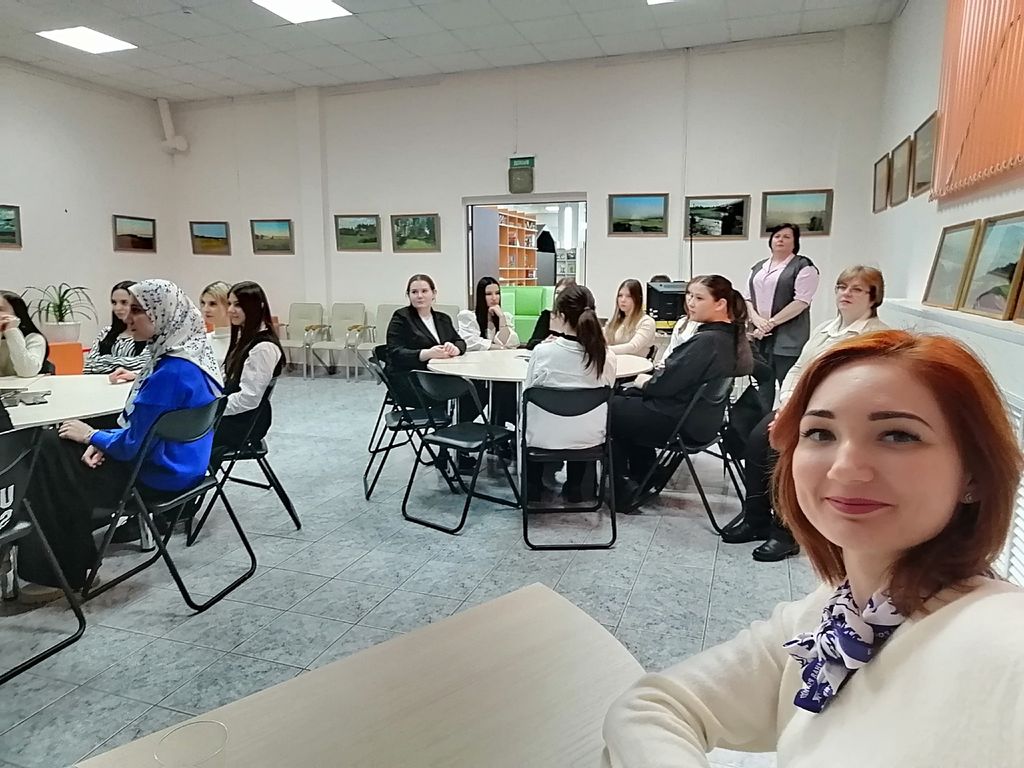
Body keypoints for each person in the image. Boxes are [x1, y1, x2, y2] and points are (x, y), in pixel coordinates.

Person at [601, 330, 1024, 767]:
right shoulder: (834, 611)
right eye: (820, 433)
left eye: (898, 435)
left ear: (974, 474)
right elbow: (651, 708)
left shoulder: (1002, 639)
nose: (845, 468)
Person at [17, 279, 222, 603]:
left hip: (158, 476)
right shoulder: (192, 358)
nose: (128, 316)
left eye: (139, 310)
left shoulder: (169, 373)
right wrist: (101, 441)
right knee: (63, 449)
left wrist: (92, 435)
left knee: (48, 453)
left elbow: (131, 446)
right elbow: (140, 433)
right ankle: (69, 559)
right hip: (186, 466)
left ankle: (61, 572)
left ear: (163, 314)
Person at [723, 267, 888, 561]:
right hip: (801, 406)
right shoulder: (826, 330)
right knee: (757, 440)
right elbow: (799, 368)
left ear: (873, 297)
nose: (846, 294)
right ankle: (755, 518)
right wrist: (788, 403)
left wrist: (805, 413)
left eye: (856, 289)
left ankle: (785, 532)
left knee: (785, 452)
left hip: (839, 417)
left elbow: (861, 387)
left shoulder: (876, 336)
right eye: (841, 287)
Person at [610, 275, 748, 509]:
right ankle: (645, 473)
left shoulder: (707, 341)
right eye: (689, 296)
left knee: (608, 408)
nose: (690, 303)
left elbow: (663, 385)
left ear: (720, 304)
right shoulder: (730, 336)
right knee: (625, 399)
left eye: (699, 298)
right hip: (703, 421)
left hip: (680, 421)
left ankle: (623, 487)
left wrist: (644, 383)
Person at [524, 284, 616, 503]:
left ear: (562, 316)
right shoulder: (606, 357)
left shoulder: (542, 353)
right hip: (590, 439)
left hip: (543, 438)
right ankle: (577, 487)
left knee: (533, 417)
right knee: (581, 420)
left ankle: (532, 487)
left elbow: (528, 393)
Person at [744, 223, 819, 401]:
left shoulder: (803, 266)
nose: (780, 240)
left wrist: (770, 323)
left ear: (795, 242)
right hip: (759, 336)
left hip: (788, 338)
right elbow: (747, 298)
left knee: (788, 385)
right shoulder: (758, 267)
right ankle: (762, 418)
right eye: (777, 236)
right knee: (762, 384)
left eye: (786, 237)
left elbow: (801, 301)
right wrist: (756, 319)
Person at [215, 281, 283, 451]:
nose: (230, 310)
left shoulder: (263, 348)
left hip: (244, 422)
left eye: (238, 305)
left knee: (185, 433)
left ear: (256, 307)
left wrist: (212, 410)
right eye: (229, 304)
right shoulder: (246, 338)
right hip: (235, 415)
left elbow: (249, 399)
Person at [385, 274, 466, 407]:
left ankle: (457, 419)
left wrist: (455, 348)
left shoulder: (443, 318)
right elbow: (395, 352)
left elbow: (460, 341)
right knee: (470, 390)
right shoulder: (401, 317)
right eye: (414, 292)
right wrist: (427, 353)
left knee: (482, 387)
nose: (419, 296)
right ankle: (451, 418)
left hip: (441, 376)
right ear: (408, 295)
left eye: (424, 291)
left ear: (433, 293)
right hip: (413, 381)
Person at [83, 280, 150, 375]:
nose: (117, 308)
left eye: (124, 302)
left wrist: (105, 359)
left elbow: (144, 364)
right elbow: (89, 365)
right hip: (103, 382)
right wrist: (125, 363)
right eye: (114, 303)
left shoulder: (149, 334)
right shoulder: (106, 332)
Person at [456, 277, 519, 351]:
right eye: (489, 294)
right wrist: (499, 347)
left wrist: (501, 318)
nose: (494, 298)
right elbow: (470, 342)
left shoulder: (506, 317)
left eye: (497, 293)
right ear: (481, 296)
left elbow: (509, 344)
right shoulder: (469, 317)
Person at [0, 290, 48, 377]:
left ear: (17, 312)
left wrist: (11, 330)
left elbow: (27, 372)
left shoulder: (34, 338)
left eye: (0, 309)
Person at [604, 279, 656, 357]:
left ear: (638, 299)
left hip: (636, 362)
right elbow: (603, 339)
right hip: (615, 361)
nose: (623, 300)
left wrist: (604, 350)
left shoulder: (646, 322)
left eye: (628, 296)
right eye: (620, 295)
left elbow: (633, 347)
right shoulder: (614, 320)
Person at [526, 277, 575, 350]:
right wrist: (544, 342)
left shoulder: (579, 318)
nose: (559, 296)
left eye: (563, 293)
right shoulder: (546, 315)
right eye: (557, 292)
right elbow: (530, 344)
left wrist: (561, 342)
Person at [200, 280, 232, 365]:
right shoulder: (201, 341)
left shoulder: (243, 342)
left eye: (212, 304)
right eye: (203, 303)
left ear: (228, 305)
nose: (205, 309)